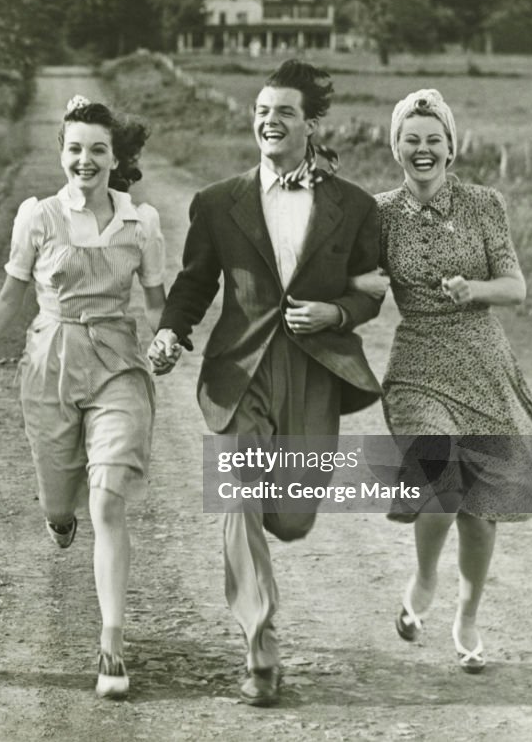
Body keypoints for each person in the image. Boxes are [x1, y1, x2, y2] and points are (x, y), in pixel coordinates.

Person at [149, 60, 383, 707]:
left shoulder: (355, 206)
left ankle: (265, 606)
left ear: (310, 124)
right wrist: (172, 332)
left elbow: (370, 292)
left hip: (314, 370)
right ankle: (260, 645)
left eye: (283, 111)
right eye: (260, 110)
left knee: (292, 515)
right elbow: (195, 282)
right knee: (237, 496)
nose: (268, 120)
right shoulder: (218, 201)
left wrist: (336, 313)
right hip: (238, 370)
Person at [350, 88, 532, 674]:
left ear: (451, 147)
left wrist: (475, 289)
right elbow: (358, 280)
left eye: (433, 140)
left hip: (483, 364)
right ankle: (424, 580)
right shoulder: (379, 212)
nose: (422, 149)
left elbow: (515, 287)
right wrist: (362, 287)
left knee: (480, 511)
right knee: (441, 477)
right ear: (396, 147)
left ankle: (466, 617)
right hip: (416, 367)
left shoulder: (486, 205)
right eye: (411, 140)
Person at [0, 96, 166, 699]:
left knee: (108, 500)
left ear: (116, 157)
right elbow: (7, 301)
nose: (85, 159)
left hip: (118, 366)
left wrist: (170, 337)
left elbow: (155, 303)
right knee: (61, 505)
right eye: (75, 148)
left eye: (98, 149)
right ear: (62, 154)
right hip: (50, 363)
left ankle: (112, 646)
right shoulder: (38, 218)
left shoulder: (140, 223)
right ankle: (58, 517)